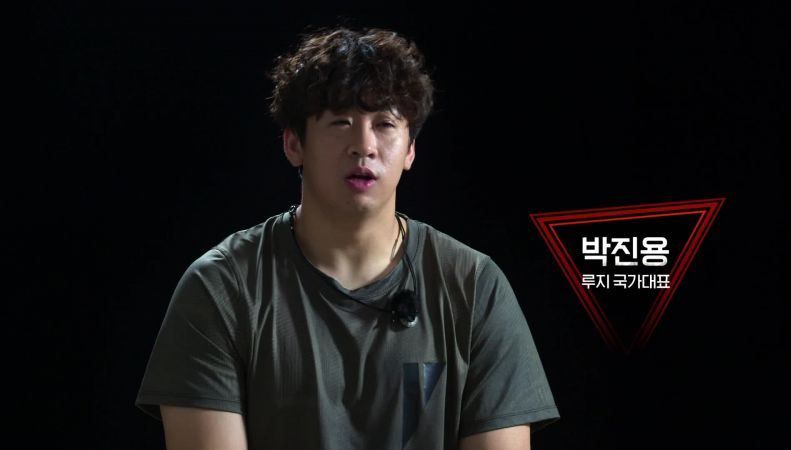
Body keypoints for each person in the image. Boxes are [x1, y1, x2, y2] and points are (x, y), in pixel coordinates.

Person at [136, 25, 560, 449]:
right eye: (340, 122)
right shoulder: (221, 288)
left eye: (385, 124)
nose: (364, 146)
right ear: (293, 144)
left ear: (410, 150)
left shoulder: (474, 286)